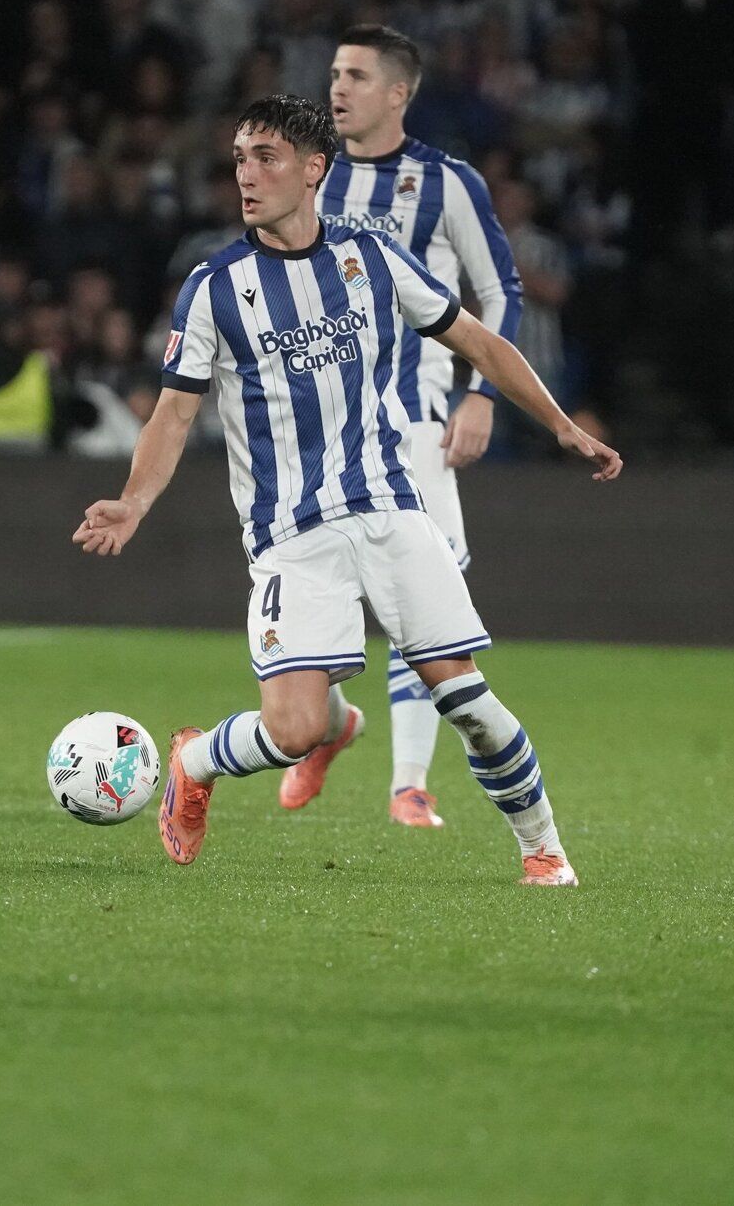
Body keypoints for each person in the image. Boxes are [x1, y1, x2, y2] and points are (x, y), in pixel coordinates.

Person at [71, 95, 622, 884]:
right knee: (292, 729)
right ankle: (194, 761)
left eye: (265, 157)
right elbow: (172, 413)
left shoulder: (372, 258)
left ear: (312, 168)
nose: (246, 175)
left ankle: (544, 850)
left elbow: (477, 341)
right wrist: (132, 500)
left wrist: (559, 425)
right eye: (238, 158)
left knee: (464, 698)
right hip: (291, 537)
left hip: (391, 510)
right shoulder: (214, 288)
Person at [297, 24, 527, 830]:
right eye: (333, 72)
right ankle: (329, 730)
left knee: (417, 610)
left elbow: (498, 292)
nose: (338, 88)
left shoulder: (445, 183)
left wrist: (481, 395)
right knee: (315, 611)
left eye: (356, 75)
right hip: (319, 434)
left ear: (398, 92)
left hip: (414, 425)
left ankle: (408, 785)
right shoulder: (306, 178)